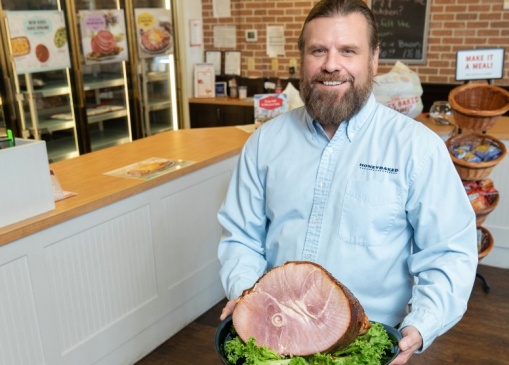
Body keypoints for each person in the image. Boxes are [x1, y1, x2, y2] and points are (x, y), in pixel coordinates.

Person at [217, 0, 478, 364]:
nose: (331, 64)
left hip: (364, 344)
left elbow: (449, 252)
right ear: (303, 57)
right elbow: (241, 236)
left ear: (373, 59)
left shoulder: (417, 149)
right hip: (273, 339)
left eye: (348, 50)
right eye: (318, 50)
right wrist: (248, 296)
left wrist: (422, 324)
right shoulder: (265, 142)